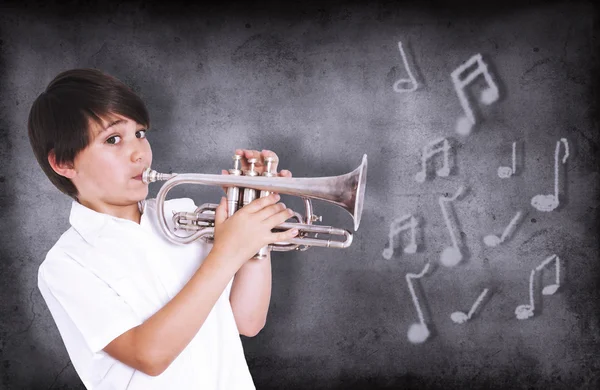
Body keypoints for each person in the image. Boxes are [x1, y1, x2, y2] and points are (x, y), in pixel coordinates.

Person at [27, 68, 299, 389]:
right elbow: (150, 355)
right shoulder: (66, 265)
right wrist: (228, 252)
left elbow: (247, 321)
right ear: (64, 162)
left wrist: (254, 229)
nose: (138, 152)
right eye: (113, 139)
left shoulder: (180, 212)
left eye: (140, 133)